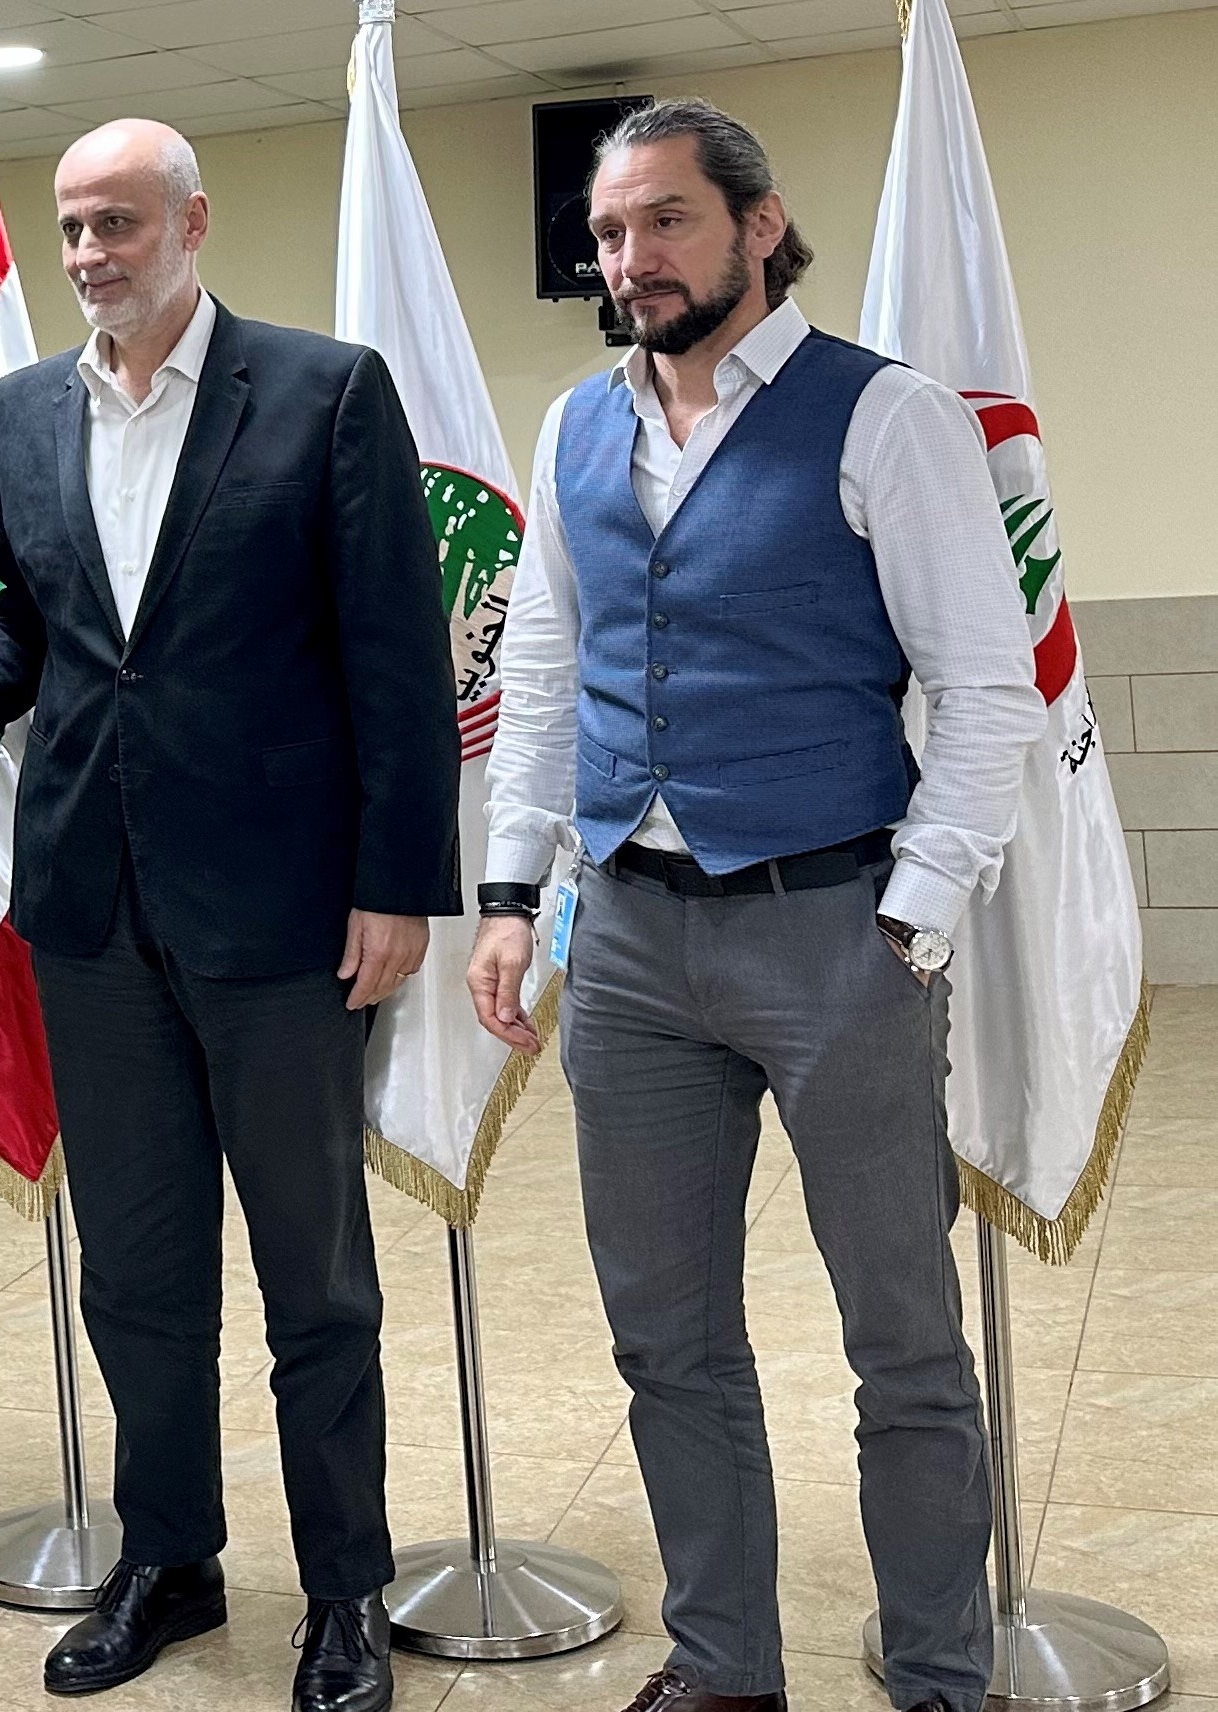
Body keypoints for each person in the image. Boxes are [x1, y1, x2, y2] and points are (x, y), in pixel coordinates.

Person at [0, 119, 457, 1707]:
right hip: (90, 913)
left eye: (116, 223)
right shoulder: (21, 409)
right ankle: (169, 1559)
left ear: (191, 221)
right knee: (132, 1274)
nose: (86, 254)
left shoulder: (322, 392)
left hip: (281, 919)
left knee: (313, 1281)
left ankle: (341, 1590)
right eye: (68, 227)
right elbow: (34, 624)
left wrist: (397, 884)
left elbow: (395, 656)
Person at [468, 99, 1042, 1712]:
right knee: (663, 1333)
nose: (627, 258)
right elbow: (539, 676)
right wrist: (510, 892)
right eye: (605, 232)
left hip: (832, 928)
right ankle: (724, 1665)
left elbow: (983, 689)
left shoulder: (883, 415)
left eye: (662, 219)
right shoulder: (574, 428)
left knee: (900, 1340)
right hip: (626, 942)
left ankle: (937, 1673)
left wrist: (910, 916)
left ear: (758, 225)